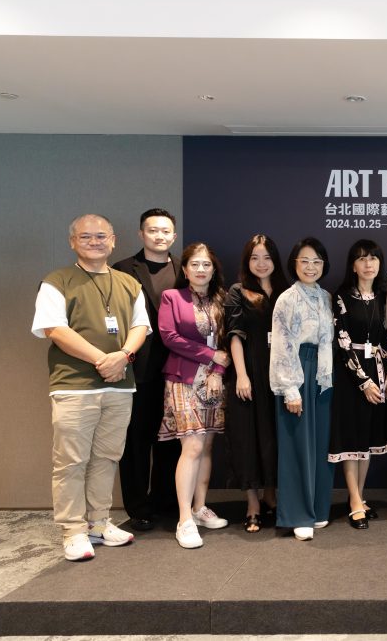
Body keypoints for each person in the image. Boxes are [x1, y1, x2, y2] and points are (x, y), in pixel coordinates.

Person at [31, 214, 150, 561]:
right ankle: (72, 530)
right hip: (75, 386)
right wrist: (105, 359)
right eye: (86, 237)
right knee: (71, 462)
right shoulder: (56, 281)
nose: (95, 242)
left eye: (101, 236)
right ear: (73, 242)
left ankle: (99, 522)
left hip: (119, 387)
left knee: (106, 458)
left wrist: (124, 356)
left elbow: (141, 326)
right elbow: (55, 329)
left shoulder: (129, 283)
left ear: (113, 240)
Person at [113, 208, 182, 532]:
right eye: (152, 230)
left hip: (179, 368)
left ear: (174, 235)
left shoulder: (186, 268)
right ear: (142, 234)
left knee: (171, 440)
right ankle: (138, 507)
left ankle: (166, 502)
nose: (159, 236)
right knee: (137, 441)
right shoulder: (123, 270)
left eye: (165, 231)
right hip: (138, 368)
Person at [158, 242, 230, 549]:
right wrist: (210, 355)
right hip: (183, 379)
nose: (201, 270)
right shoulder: (171, 297)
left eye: (206, 265)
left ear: (214, 269)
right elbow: (169, 337)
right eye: (195, 264)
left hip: (214, 381)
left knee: (208, 445)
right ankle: (184, 519)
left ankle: (200, 508)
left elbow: (229, 346)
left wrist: (219, 370)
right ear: (185, 269)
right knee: (193, 445)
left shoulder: (223, 300)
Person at [329, 239, 387, 530]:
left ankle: (359, 495)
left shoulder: (385, 295)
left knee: (368, 439)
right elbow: (342, 343)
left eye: (373, 258)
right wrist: (364, 381)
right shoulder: (342, 297)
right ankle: (355, 499)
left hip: (380, 371)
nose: (368, 264)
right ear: (353, 265)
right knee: (352, 437)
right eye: (361, 259)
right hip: (352, 376)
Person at [270, 238, 335, 541]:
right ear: (294, 263)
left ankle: (319, 508)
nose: (311, 267)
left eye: (317, 262)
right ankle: (297, 514)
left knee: (319, 443)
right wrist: (290, 389)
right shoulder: (287, 298)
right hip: (297, 370)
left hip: (321, 373)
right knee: (297, 443)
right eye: (305, 261)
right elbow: (282, 345)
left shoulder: (325, 297)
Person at [224, 234, 289, 533]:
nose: (261, 263)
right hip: (249, 371)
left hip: (281, 374)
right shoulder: (238, 292)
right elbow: (235, 335)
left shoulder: (287, 291)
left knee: (274, 438)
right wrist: (242, 375)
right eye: (254, 257)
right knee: (247, 438)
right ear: (247, 262)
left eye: (266, 257)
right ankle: (252, 503)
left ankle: (271, 495)